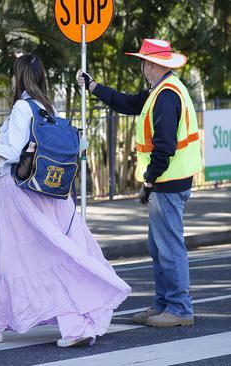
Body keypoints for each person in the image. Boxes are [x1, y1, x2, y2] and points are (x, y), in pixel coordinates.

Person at [0, 54, 131, 347]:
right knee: (54, 255)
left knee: (7, 258)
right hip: (46, 192)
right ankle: (74, 321)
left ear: (19, 77)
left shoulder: (21, 107)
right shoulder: (45, 107)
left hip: (16, 192)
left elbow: (16, 152)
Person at [77, 39, 202, 327]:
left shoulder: (167, 95)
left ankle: (180, 309)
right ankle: (164, 304)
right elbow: (129, 103)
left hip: (168, 182)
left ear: (153, 64)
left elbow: (164, 146)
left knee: (169, 246)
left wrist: (149, 181)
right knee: (160, 247)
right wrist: (94, 86)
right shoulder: (161, 91)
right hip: (168, 181)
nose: (141, 66)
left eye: (143, 61)